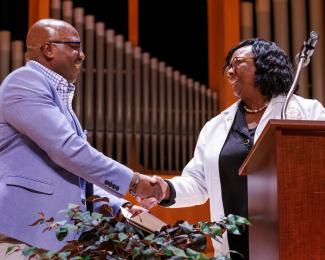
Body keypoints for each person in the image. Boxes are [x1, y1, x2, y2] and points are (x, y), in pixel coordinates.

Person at [142, 38, 325, 259]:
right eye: (228, 66)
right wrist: (167, 189)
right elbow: (198, 182)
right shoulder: (216, 126)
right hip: (234, 249)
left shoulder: (308, 112)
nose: (229, 72)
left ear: (265, 65)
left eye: (237, 62)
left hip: (296, 244)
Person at [0, 18, 162, 256]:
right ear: (48, 49)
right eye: (74, 46)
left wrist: (122, 206)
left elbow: (76, 175)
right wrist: (135, 182)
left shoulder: (57, 97)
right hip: (23, 233)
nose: (82, 55)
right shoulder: (24, 82)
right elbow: (68, 149)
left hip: (55, 236)